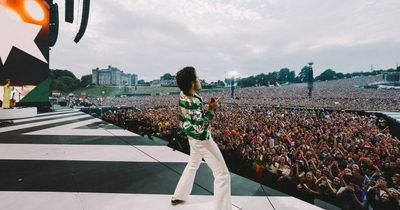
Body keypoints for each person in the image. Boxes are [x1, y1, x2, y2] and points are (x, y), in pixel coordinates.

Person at [171, 66, 232, 210]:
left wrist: (207, 108)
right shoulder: (193, 101)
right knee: (223, 176)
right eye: (197, 77)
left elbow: (193, 120)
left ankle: (179, 195)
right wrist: (211, 110)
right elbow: (200, 128)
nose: (199, 80)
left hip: (192, 138)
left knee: (193, 164)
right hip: (202, 140)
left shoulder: (184, 94)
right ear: (192, 83)